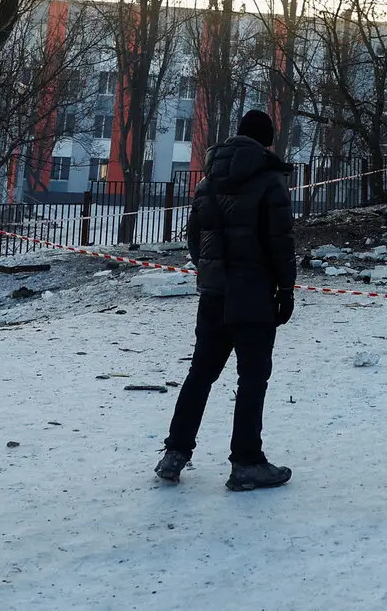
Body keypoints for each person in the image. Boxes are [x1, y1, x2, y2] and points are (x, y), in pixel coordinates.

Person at [155, 109, 297, 489]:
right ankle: (246, 462)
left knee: (200, 373)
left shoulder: (208, 183)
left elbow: (194, 240)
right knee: (252, 378)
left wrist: (212, 272)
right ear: (267, 142)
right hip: (254, 297)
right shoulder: (270, 181)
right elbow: (281, 243)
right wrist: (286, 289)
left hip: (213, 296)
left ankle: (175, 453)